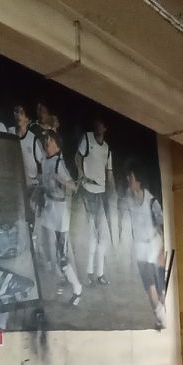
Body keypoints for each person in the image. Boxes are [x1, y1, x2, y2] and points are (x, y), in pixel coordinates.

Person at [37, 130, 83, 307]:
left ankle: (77, 288)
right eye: (45, 140)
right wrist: (37, 195)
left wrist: (61, 180)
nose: (47, 143)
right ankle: (58, 282)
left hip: (60, 212)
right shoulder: (45, 161)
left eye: (50, 140)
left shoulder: (58, 163)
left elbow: (73, 187)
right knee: (44, 247)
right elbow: (43, 184)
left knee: (61, 255)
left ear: (57, 145)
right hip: (48, 207)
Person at [125, 161, 167, 328]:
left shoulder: (152, 202)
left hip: (154, 246)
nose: (128, 179)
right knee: (150, 286)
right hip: (141, 249)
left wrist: (162, 250)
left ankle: (162, 317)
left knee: (159, 286)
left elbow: (162, 227)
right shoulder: (128, 196)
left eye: (131, 176)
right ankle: (161, 317)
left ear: (138, 179)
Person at [76, 118, 114, 286]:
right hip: (88, 191)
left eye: (102, 124)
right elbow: (77, 157)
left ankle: (100, 274)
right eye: (97, 123)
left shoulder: (107, 148)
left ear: (105, 128)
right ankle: (89, 273)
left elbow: (109, 173)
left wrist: (113, 192)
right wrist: (81, 173)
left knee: (101, 236)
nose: (98, 126)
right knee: (92, 235)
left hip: (101, 193)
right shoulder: (87, 138)